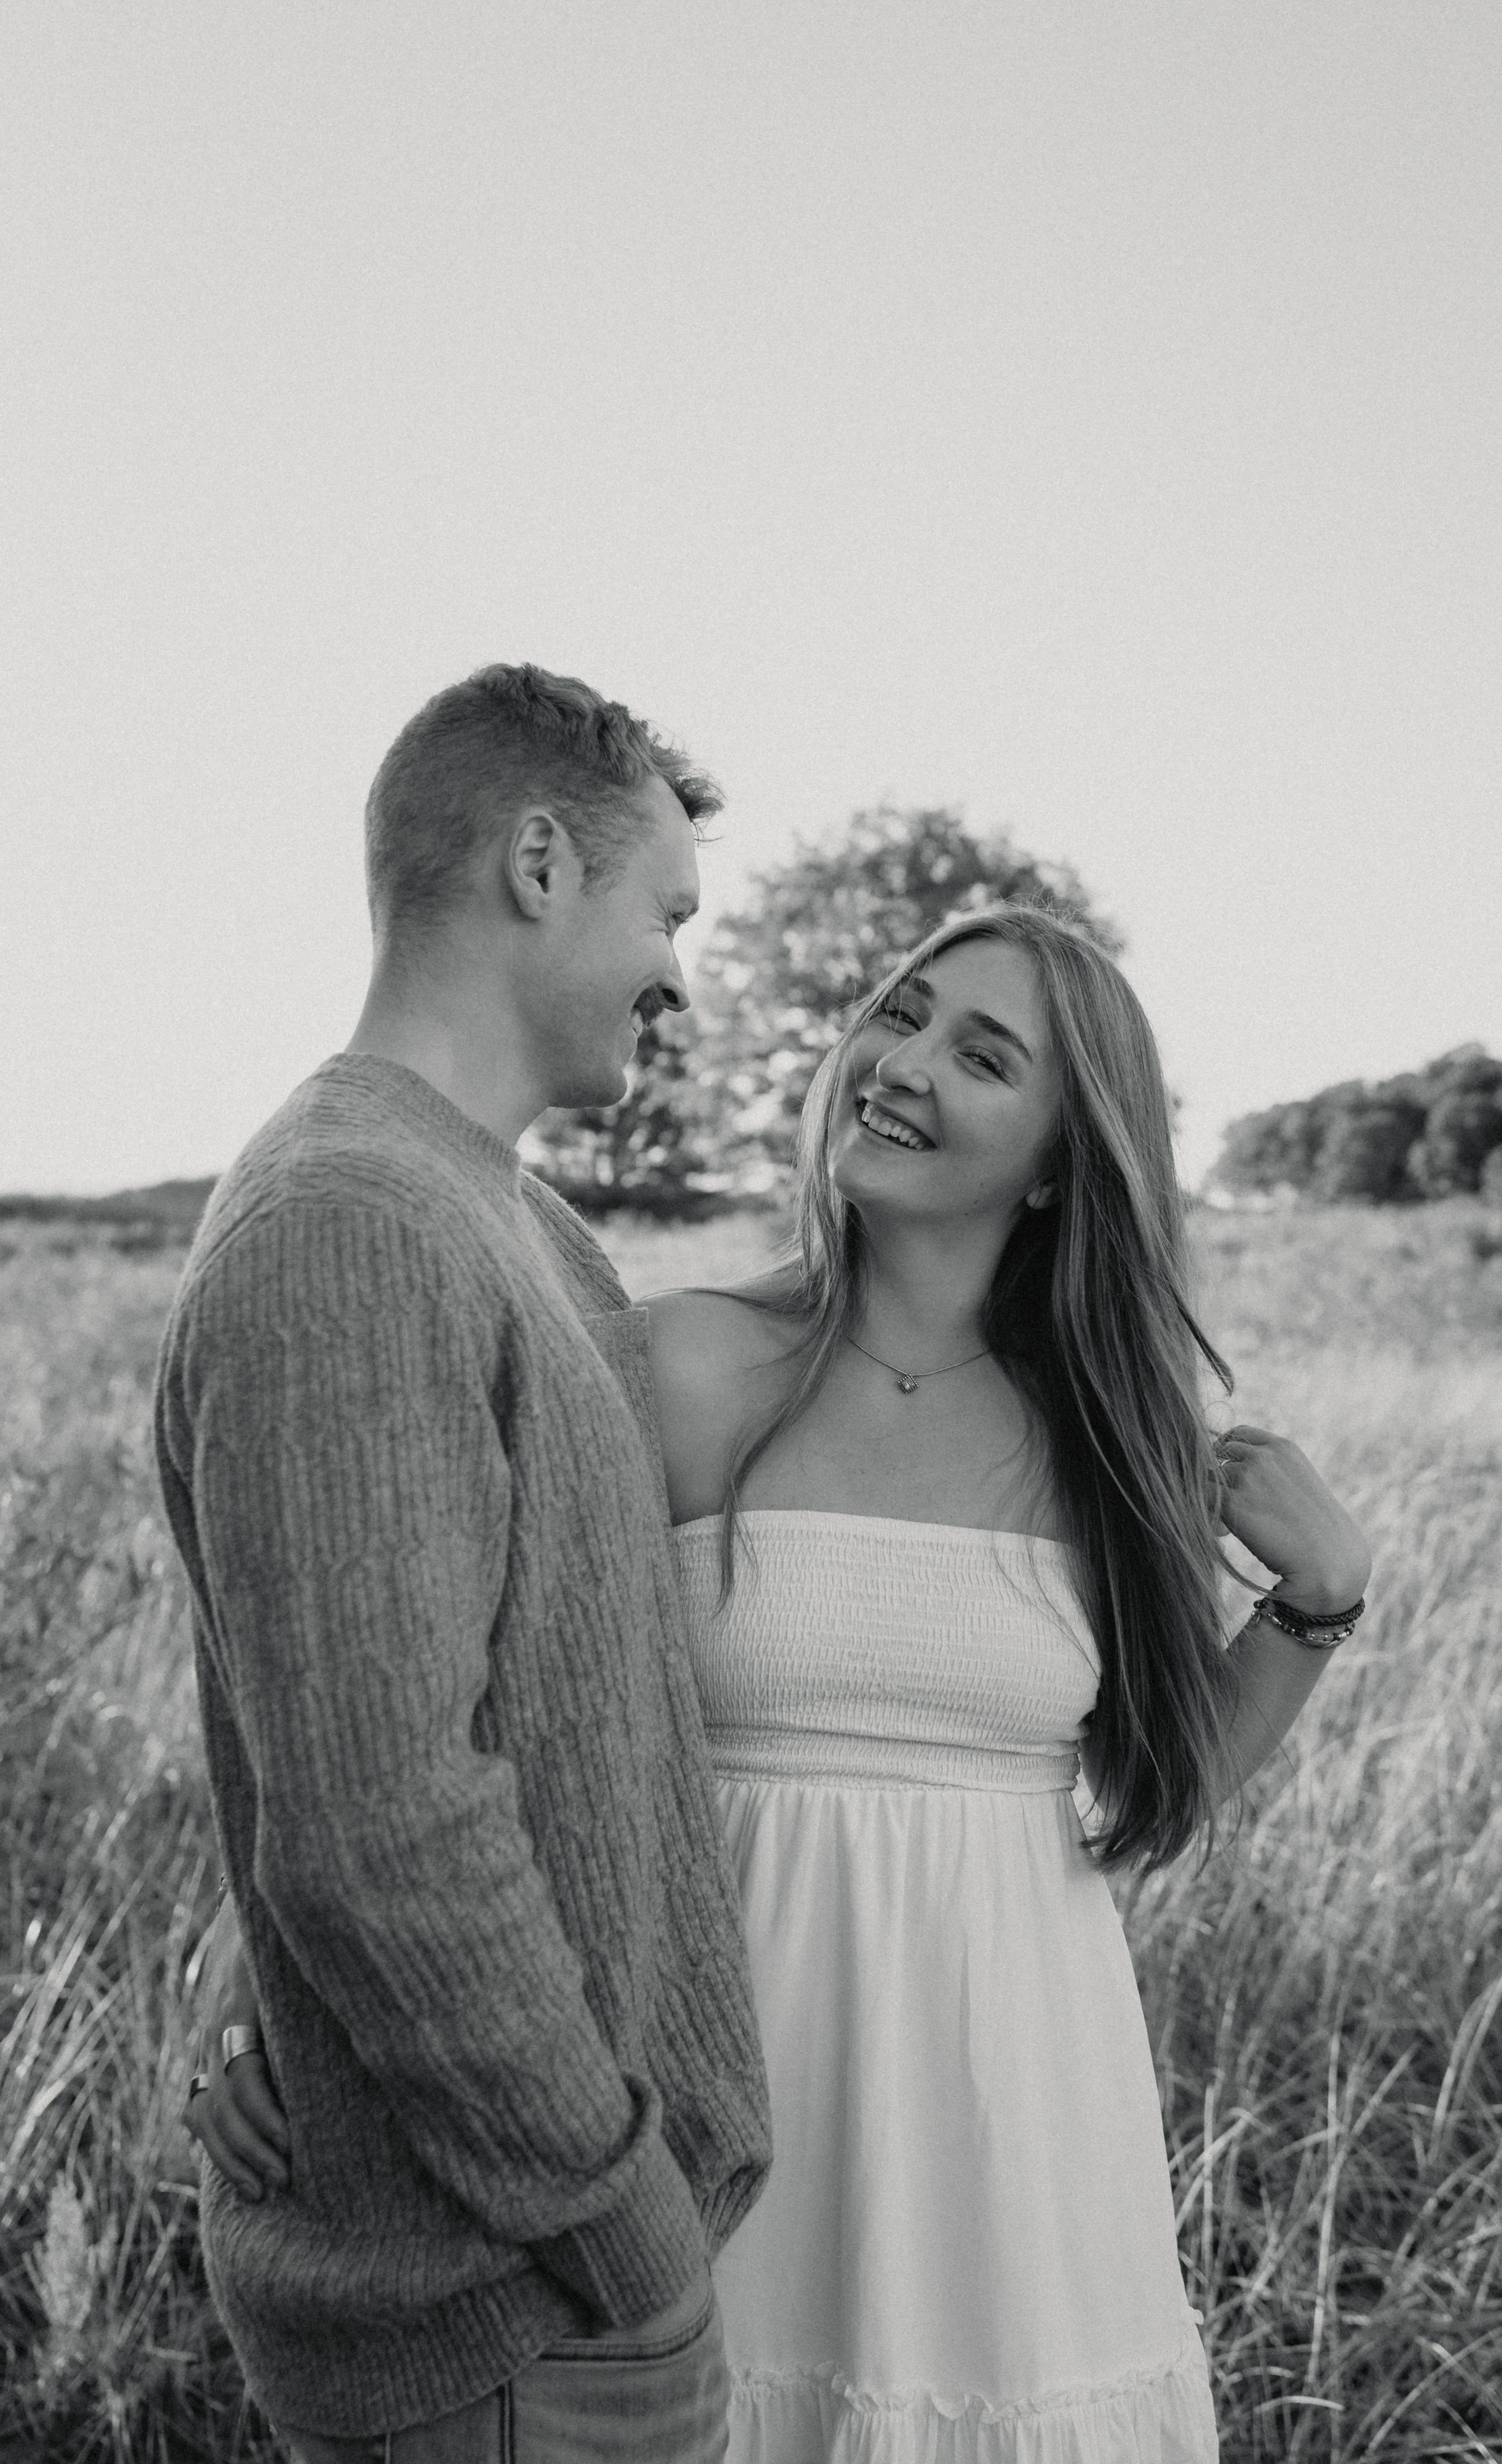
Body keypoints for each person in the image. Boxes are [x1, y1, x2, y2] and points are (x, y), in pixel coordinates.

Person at [195, 901, 1372, 2461]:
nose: (897, 1062)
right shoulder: (669, 1360)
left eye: (979, 1052)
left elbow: (1139, 1800)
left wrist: (1310, 1609)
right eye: (898, 1013)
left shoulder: (1119, 1436)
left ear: (1055, 1159)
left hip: (1006, 2102)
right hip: (702, 2088)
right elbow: (415, 1695)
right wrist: (256, 1980)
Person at [161, 663, 771, 2464]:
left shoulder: (517, 1219)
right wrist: (628, 2228)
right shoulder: (348, 1219)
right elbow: (372, 1818)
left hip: (549, 2297)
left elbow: (379, 1690)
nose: (680, 967)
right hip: (504, 2319)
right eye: (666, 909)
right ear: (532, 863)